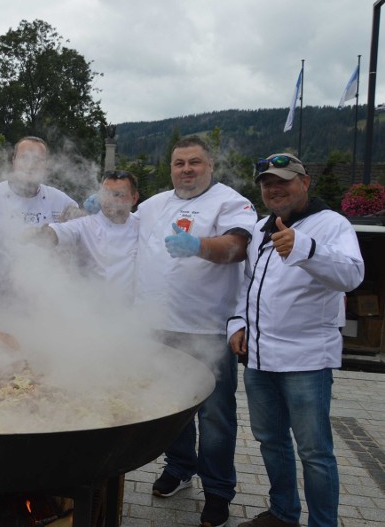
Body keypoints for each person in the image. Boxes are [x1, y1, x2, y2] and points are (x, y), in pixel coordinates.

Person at [228, 154, 363, 527]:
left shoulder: (332, 225)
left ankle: (323, 523)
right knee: (271, 442)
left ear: (305, 182)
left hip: (307, 360)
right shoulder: (259, 229)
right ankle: (283, 513)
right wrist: (236, 323)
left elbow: (352, 275)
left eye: (283, 181)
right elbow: (248, 286)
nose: (274, 188)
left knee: (315, 452)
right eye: (267, 183)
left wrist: (305, 248)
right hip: (259, 358)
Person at [133, 136, 257, 527]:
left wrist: (199, 245)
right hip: (157, 325)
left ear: (210, 165)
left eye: (195, 162)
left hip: (208, 329)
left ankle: (219, 491)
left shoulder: (230, 201)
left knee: (216, 415)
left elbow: (237, 246)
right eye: (179, 163)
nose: (186, 169)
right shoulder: (153, 204)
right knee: (172, 407)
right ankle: (180, 467)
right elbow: (118, 228)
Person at [29, 170, 139, 304]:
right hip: (88, 310)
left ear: (134, 198)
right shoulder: (85, 224)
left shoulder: (142, 225)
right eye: (105, 194)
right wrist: (36, 233)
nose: (110, 200)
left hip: (128, 312)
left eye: (118, 195)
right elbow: (57, 232)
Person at [0, 136, 78, 240]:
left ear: (46, 165)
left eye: (37, 160)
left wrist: (79, 217)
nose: (30, 165)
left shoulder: (60, 200)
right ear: (14, 160)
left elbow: (81, 232)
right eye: (24, 158)